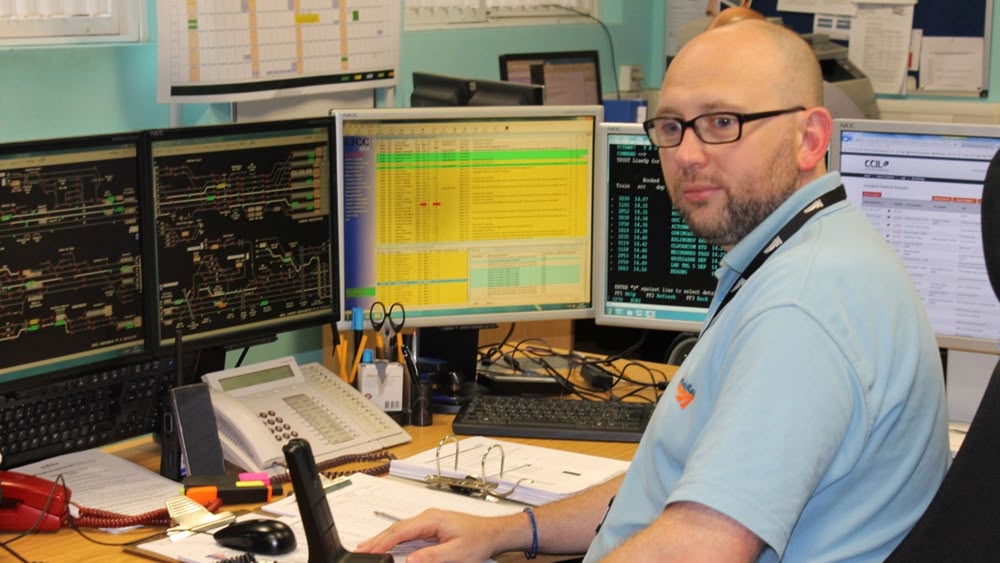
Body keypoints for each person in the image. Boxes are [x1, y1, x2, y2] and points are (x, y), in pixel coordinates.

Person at [357, 19, 949, 562]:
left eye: (723, 123)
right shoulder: (805, 253)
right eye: (671, 126)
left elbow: (699, 546)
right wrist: (509, 531)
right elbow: (675, 489)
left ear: (810, 138)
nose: (687, 155)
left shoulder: (803, 307)